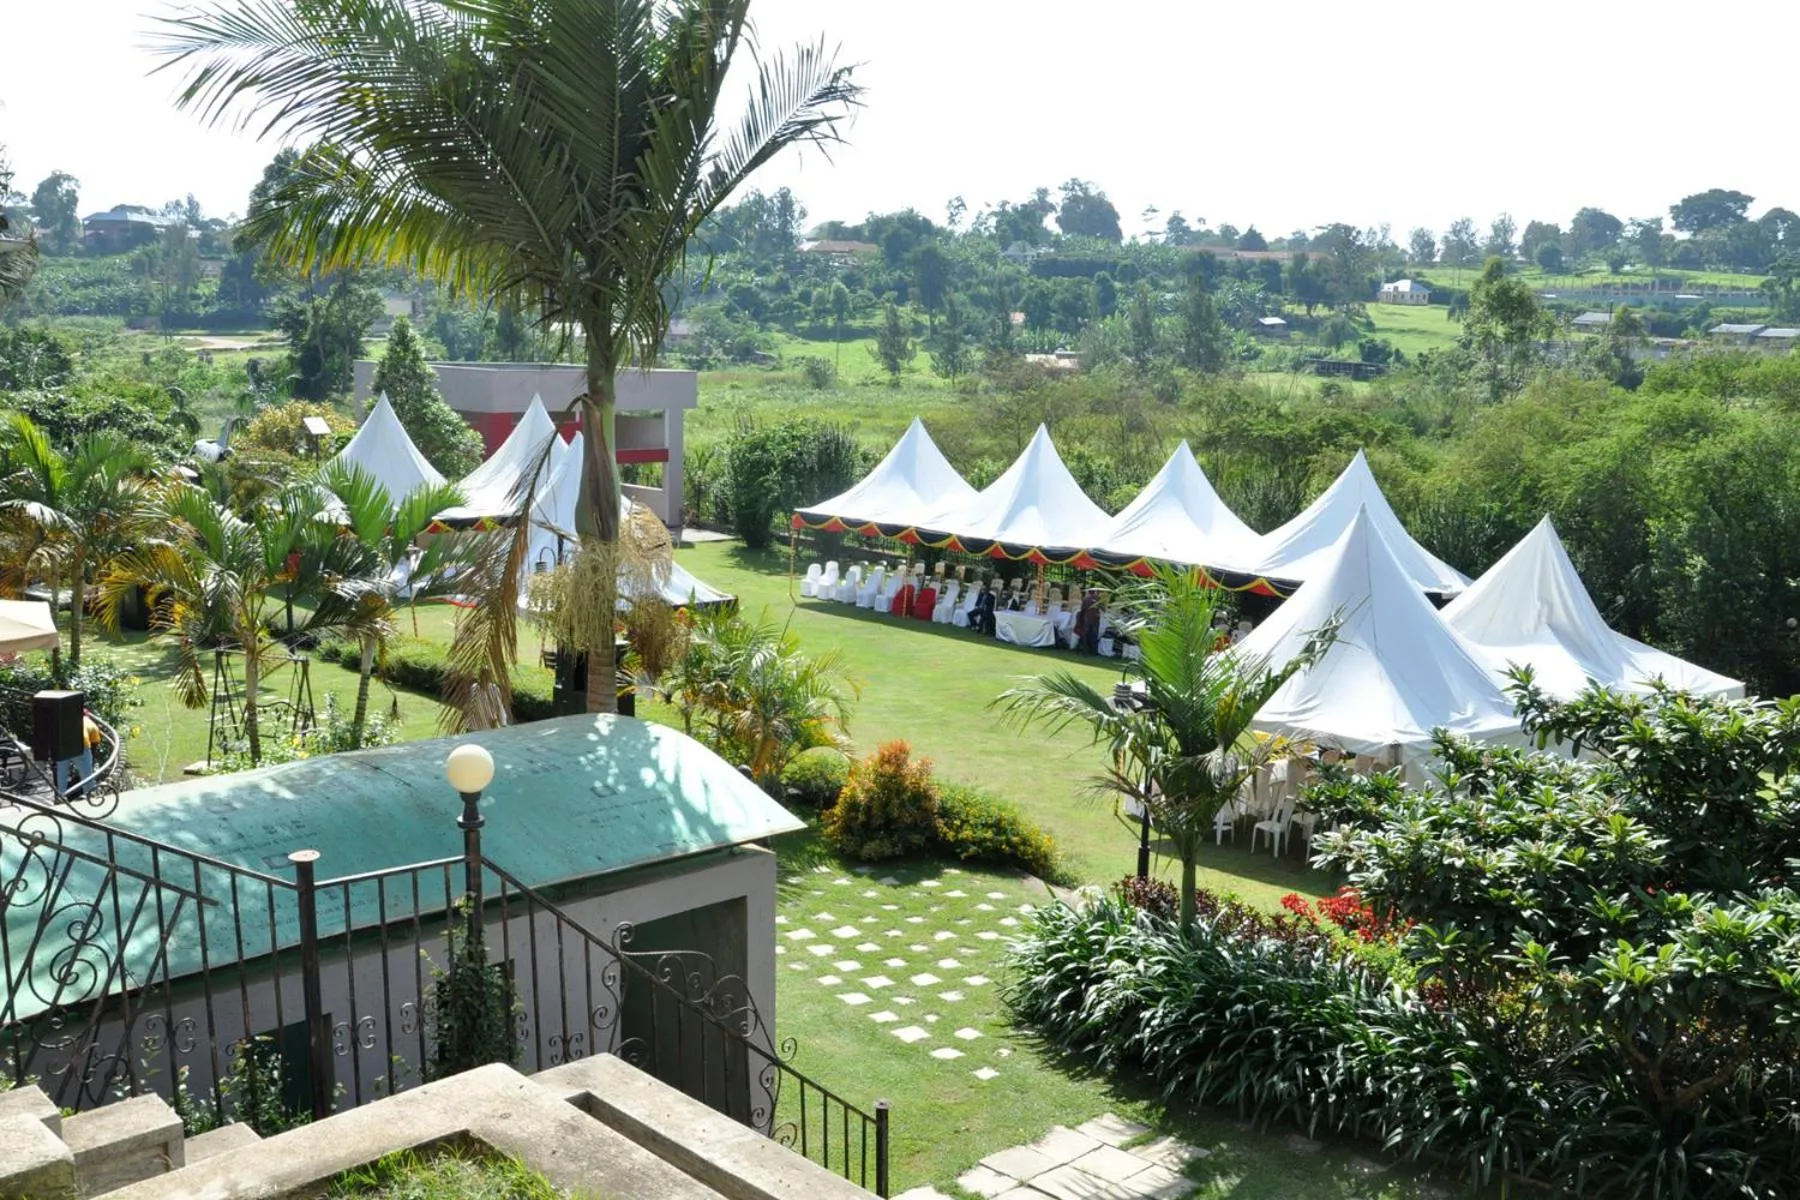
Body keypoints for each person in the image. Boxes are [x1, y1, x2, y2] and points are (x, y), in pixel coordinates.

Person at [1073, 589, 1102, 654]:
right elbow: (1100, 608)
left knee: (1084, 635)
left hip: (1087, 618)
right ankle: (1094, 650)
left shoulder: (1086, 599)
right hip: (1095, 619)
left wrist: (1080, 619)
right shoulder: (1098, 599)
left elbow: (1083, 609)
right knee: (1094, 635)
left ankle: (1084, 649)